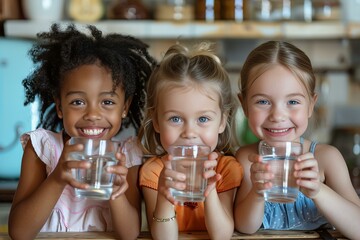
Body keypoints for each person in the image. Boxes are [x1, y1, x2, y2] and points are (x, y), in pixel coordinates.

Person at [8, 23, 156, 240]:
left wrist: (117, 192)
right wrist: (58, 177)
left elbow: (129, 234)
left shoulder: (127, 155)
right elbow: (19, 233)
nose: (92, 114)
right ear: (60, 106)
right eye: (77, 101)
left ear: (124, 107)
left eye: (107, 101)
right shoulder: (42, 148)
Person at [233, 40, 360, 239]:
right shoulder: (247, 158)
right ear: (244, 105)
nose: (278, 115)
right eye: (263, 102)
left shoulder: (326, 158)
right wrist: (257, 193)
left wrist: (318, 191)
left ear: (311, 105)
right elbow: (245, 226)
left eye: (292, 102)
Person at [138, 42, 243, 240]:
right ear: (157, 121)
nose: (189, 132)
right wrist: (163, 196)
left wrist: (209, 190)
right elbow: (163, 238)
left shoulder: (227, 169)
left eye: (203, 119)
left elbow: (222, 236)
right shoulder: (154, 172)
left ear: (222, 122)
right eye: (175, 119)